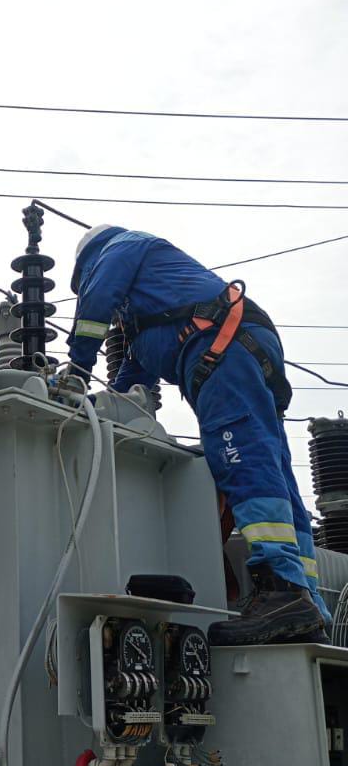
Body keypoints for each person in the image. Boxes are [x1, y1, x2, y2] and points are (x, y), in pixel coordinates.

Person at [62, 224, 329, 647]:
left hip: (220, 348)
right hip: (240, 346)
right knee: (273, 471)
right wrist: (100, 402)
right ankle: (308, 604)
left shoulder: (118, 248)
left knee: (241, 462)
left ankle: (281, 590)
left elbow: (97, 297)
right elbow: (134, 378)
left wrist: (75, 369)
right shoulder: (152, 303)